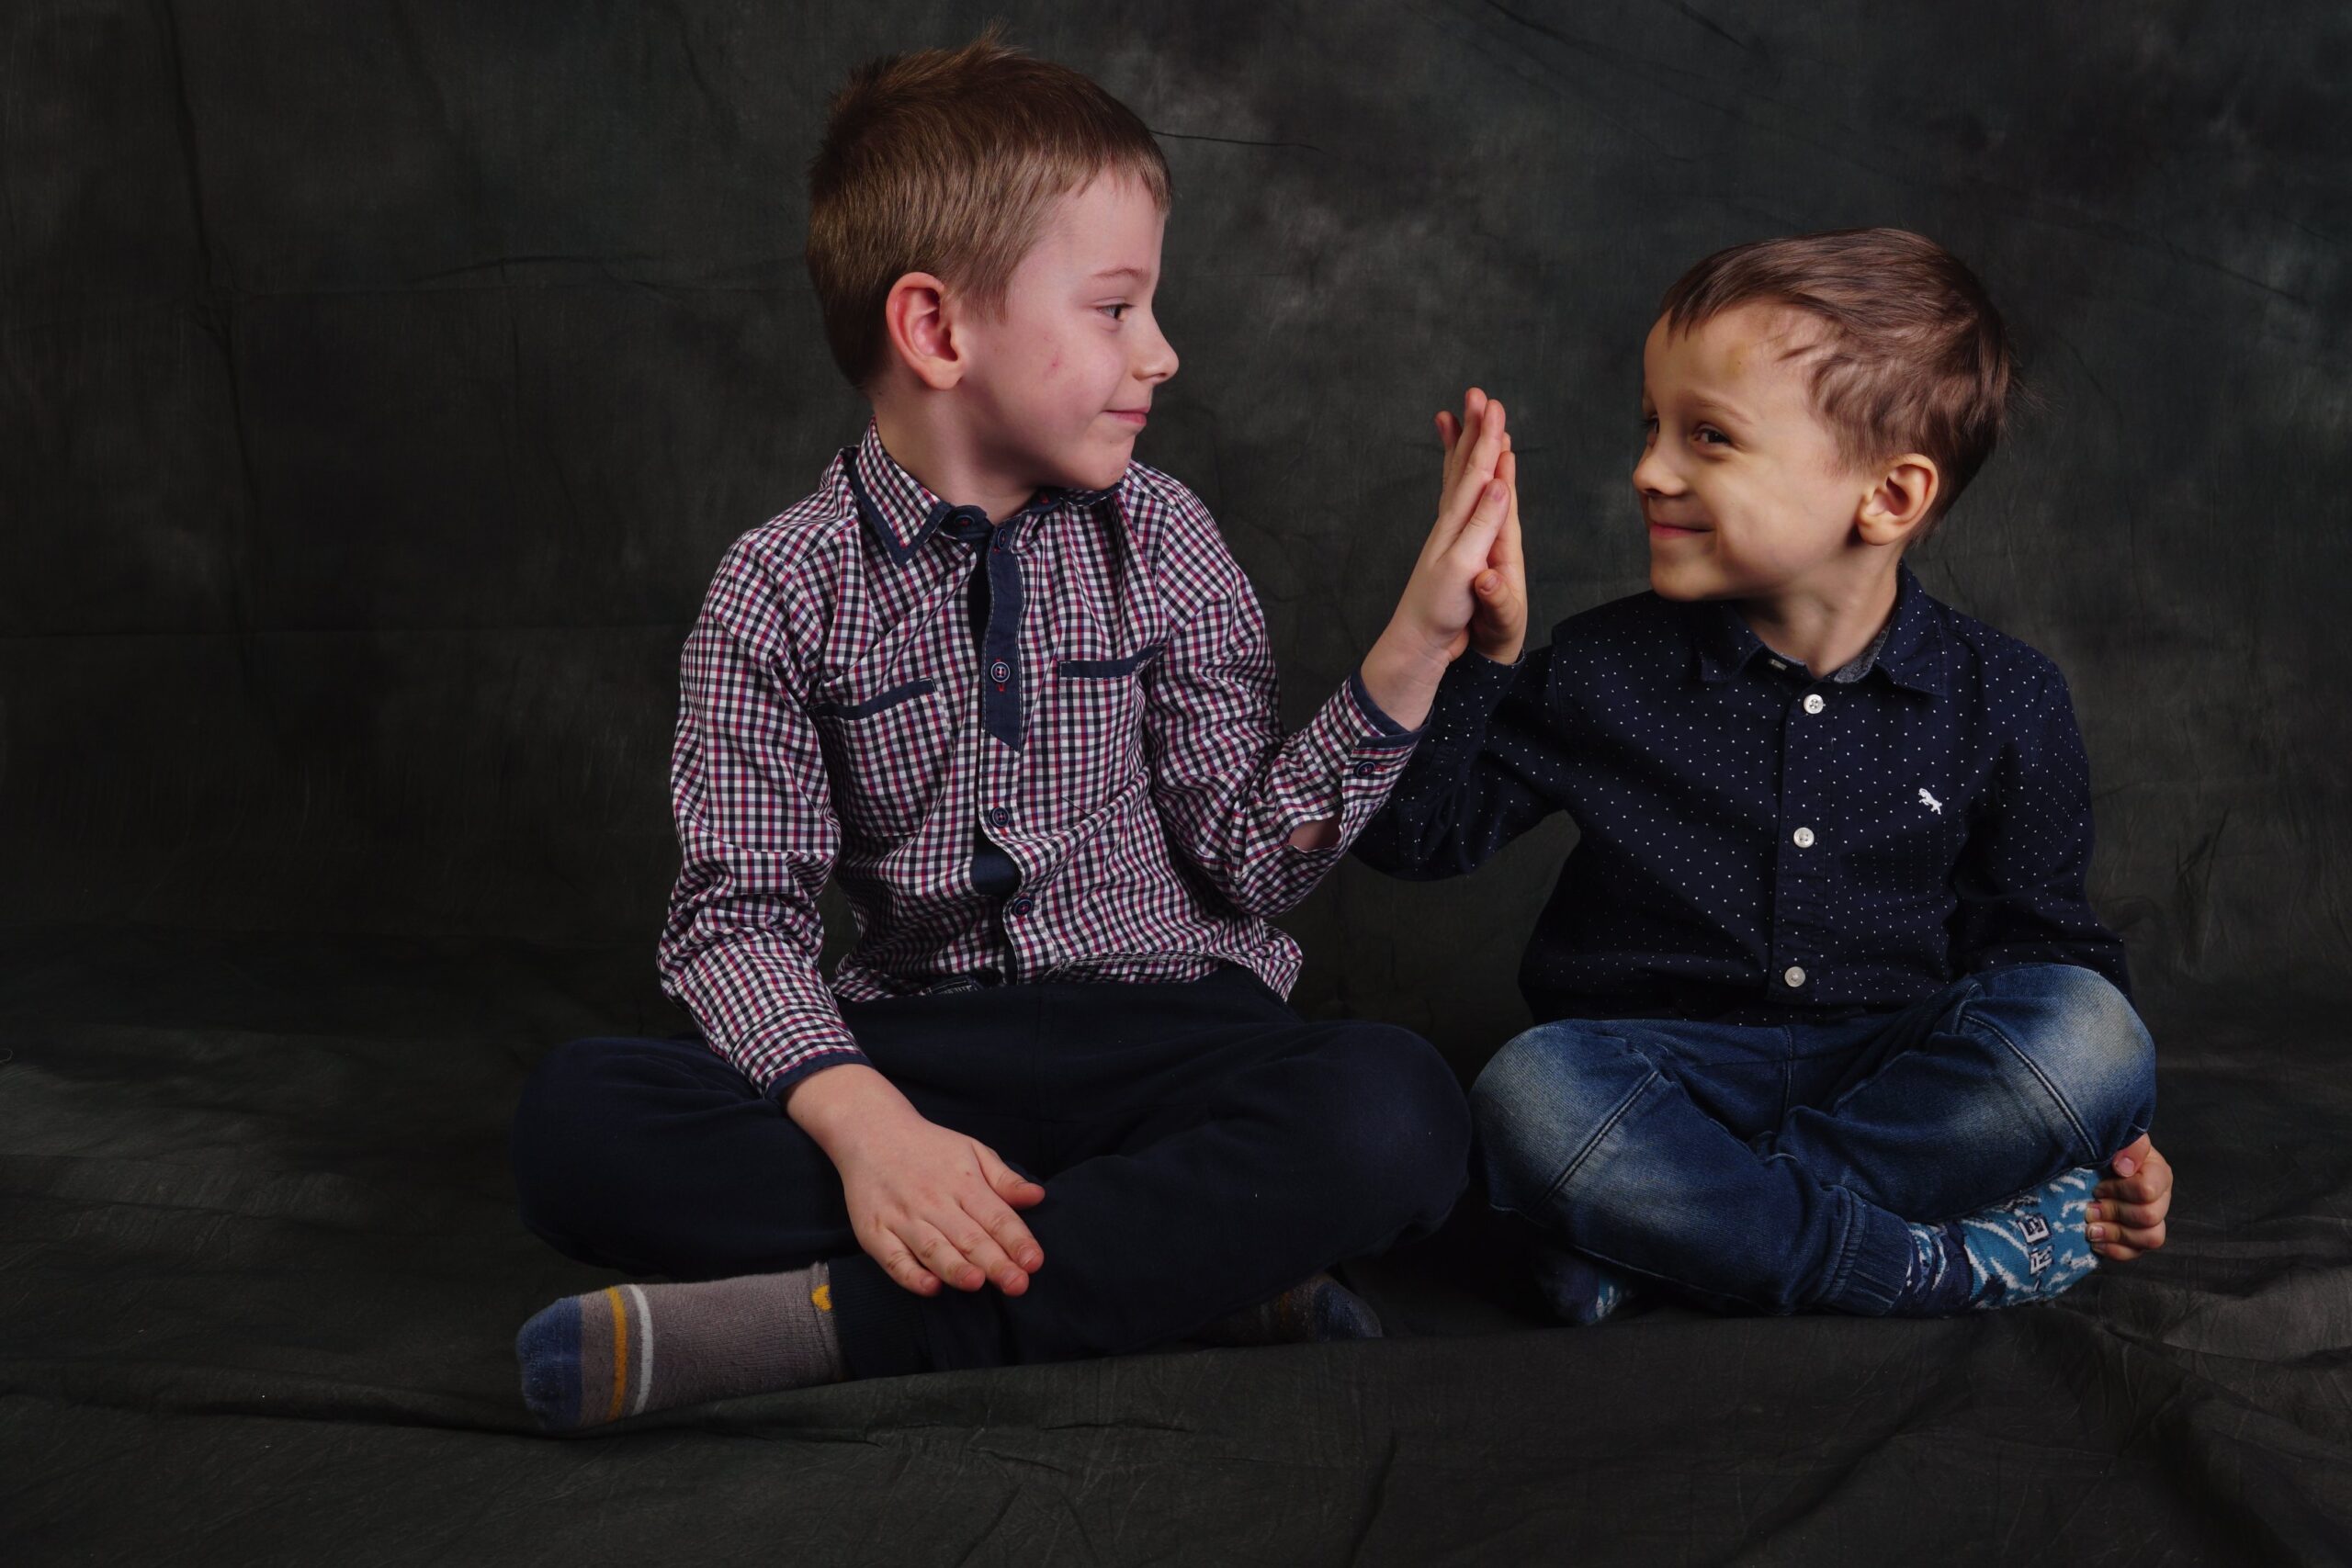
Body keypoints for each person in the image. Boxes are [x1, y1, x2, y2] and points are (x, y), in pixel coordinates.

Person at [506, 34, 1522, 1430]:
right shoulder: (778, 588)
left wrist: (1417, 646)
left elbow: (1250, 861)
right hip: (918, 1055)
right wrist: (872, 1130)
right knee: (577, 1124)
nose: (1161, 351)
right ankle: (1189, 1272)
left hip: (1168, 1041)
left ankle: (828, 1328)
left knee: (1399, 1111)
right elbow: (736, 925)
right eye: (1115, 307)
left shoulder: (1164, 539)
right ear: (937, 331)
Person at [1356, 229, 2176, 1325]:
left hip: (1892, 1078)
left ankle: (1670, 1240)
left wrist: (2118, 1136)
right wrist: (1477, 657)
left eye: (1708, 436)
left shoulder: (2005, 697)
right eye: (1652, 426)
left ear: (1888, 497)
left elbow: (2039, 947)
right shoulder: (1603, 668)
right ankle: (1918, 1264)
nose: (1650, 470)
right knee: (1527, 1094)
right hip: (1658, 1078)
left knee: (2094, 1034)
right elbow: (1410, 839)